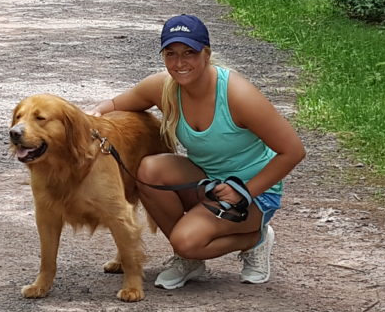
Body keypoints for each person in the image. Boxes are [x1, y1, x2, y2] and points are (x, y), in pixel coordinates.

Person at [89, 14, 306, 289]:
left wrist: (246, 191)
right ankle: (189, 260)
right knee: (149, 169)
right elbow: (114, 103)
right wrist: (91, 118)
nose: (179, 63)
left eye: (189, 53)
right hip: (207, 180)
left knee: (187, 241)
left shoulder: (238, 95)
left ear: (207, 53)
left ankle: (256, 238)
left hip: (254, 194)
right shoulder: (164, 87)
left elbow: (293, 151)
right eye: (171, 54)